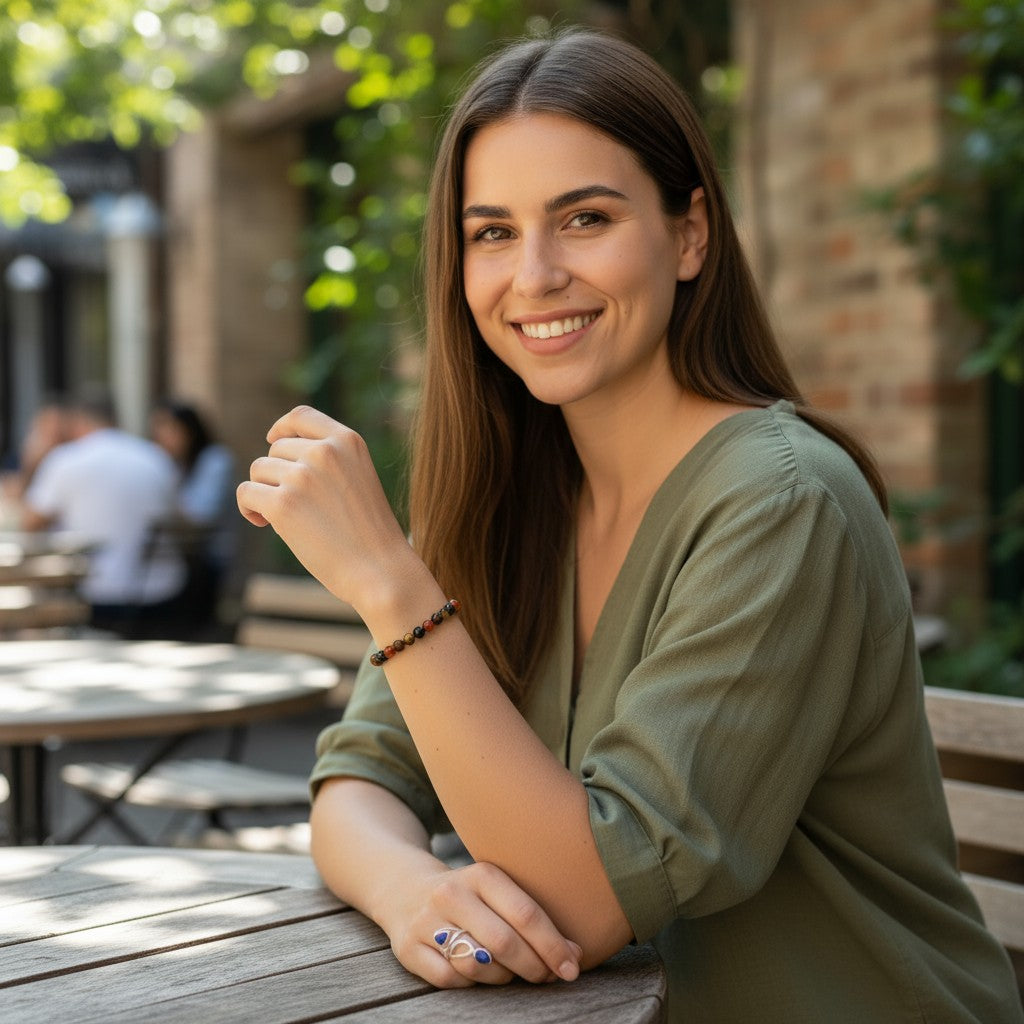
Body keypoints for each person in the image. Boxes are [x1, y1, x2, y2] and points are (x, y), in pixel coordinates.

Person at [236, 29, 1023, 1024]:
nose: (534, 274)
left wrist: (390, 585)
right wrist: (415, 895)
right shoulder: (507, 492)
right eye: (491, 232)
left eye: (585, 218)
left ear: (689, 233)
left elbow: (593, 894)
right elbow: (358, 782)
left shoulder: (776, 501)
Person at [22, 390, 186, 636]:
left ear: (78, 422)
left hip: (93, 599)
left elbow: (30, 523)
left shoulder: (64, 460)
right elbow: (179, 519)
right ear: (117, 420)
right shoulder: (156, 458)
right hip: (162, 595)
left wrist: (33, 457)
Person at [150, 399, 237, 631]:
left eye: (169, 428)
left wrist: (161, 487)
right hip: (181, 557)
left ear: (189, 430)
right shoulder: (173, 463)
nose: (162, 436)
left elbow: (201, 516)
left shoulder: (215, 460)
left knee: (197, 624)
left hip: (209, 556)